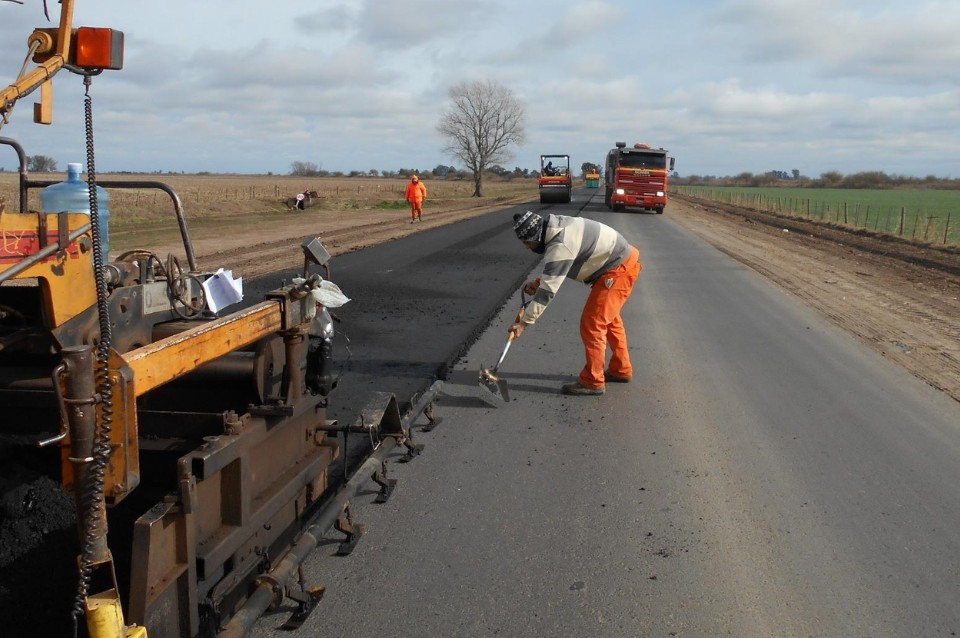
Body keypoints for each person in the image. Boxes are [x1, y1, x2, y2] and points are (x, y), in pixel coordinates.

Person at [509, 210, 642, 396]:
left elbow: (548, 292)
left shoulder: (560, 244)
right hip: (623, 262)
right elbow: (562, 266)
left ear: (536, 236)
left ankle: (593, 381)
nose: (527, 247)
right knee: (610, 321)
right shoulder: (558, 227)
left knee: (593, 323)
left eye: (527, 243)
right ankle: (621, 369)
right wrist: (539, 282)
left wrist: (524, 323)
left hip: (617, 270)